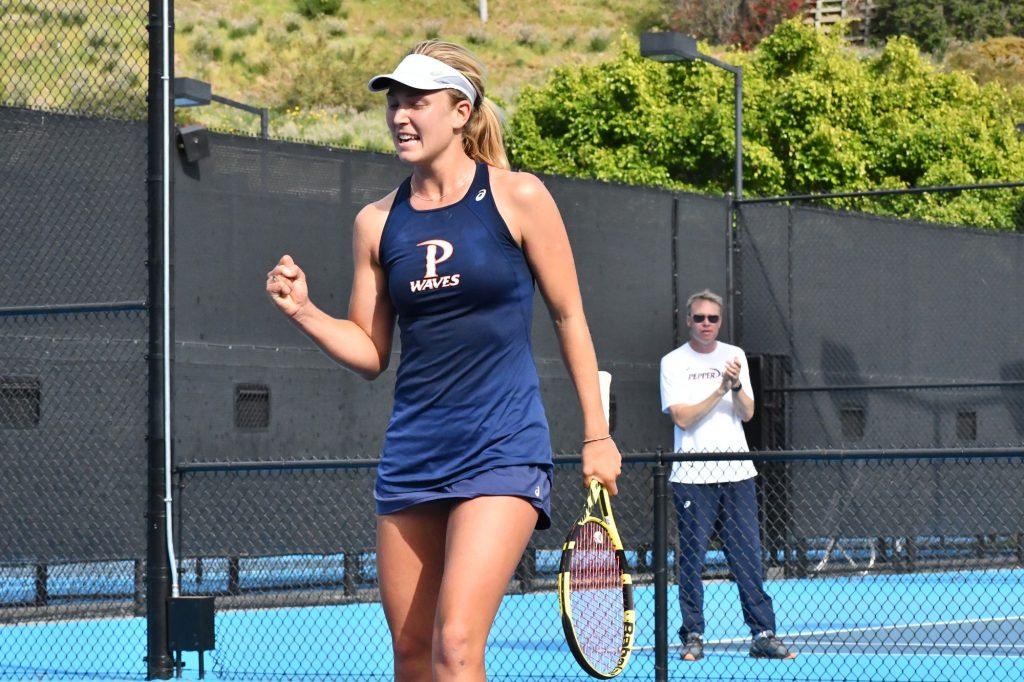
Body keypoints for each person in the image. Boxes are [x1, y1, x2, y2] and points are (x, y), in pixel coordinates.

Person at [265, 40, 621, 681]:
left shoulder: (520, 198)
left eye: (417, 102)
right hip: (412, 454)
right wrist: (303, 311)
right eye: (393, 103)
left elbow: (571, 316)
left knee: (455, 646)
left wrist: (597, 434)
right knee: (411, 655)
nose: (400, 116)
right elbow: (371, 352)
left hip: (503, 449)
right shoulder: (375, 223)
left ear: (460, 112)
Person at [659, 289, 795, 661]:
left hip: (737, 474)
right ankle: (693, 636)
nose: (706, 324)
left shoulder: (734, 357)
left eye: (713, 319)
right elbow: (683, 417)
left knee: (748, 557)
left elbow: (748, 413)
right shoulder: (672, 362)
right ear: (688, 320)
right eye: (699, 318)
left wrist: (734, 385)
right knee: (692, 561)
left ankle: (763, 634)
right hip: (692, 476)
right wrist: (719, 387)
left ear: (720, 321)